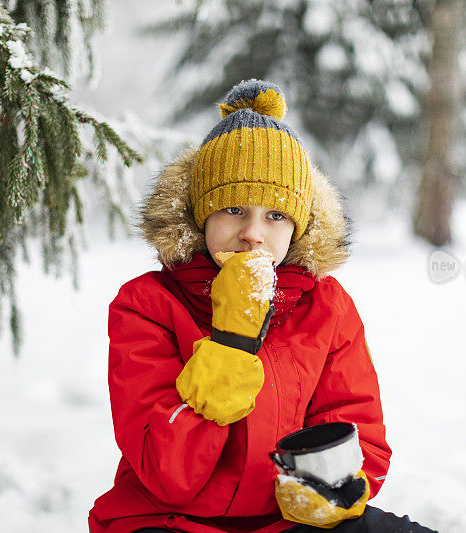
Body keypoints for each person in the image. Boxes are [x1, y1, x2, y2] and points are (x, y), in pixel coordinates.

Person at [89, 80, 437, 533]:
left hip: (286, 523)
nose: (254, 233)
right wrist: (232, 339)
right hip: (171, 521)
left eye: (275, 215)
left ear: (298, 226)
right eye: (234, 209)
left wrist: (332, 490)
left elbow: (359, 431)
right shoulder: (146, 304)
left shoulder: (326, 305)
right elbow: (166, 474)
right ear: (200, 214)